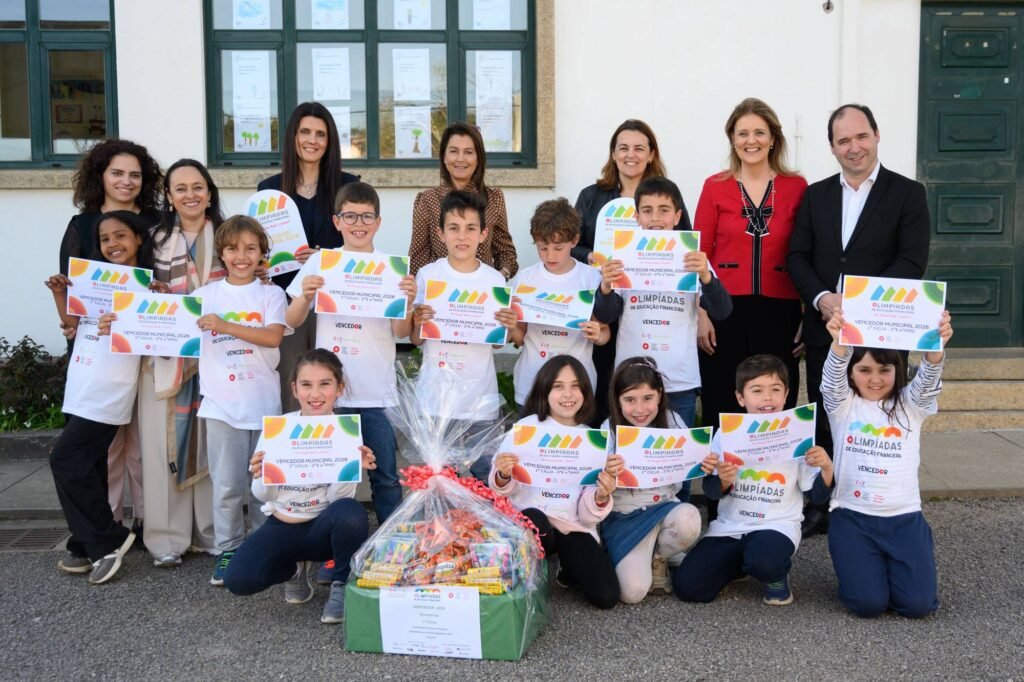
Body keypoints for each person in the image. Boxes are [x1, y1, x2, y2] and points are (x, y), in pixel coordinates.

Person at [787, 103, 931, 536]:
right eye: (843, 140)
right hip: (826, 329)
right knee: (825, 416)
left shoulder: (908, 193)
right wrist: (822, 298)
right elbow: (797, 256)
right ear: (832, 147)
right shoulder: (817, 195)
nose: (854, 147)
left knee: (880, 416)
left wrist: (863, 303)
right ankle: (823, 503)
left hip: (884, 334)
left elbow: (912, 261)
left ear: (876, 135)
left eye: (861, 136)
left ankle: (877, 499)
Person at [286, 181, 415, 526]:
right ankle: (331, 550)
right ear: (337, 220)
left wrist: (409, 302)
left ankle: (390, 542)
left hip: (377, 392)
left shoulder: (391, 270)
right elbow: (291, 320)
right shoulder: (321, 264)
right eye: (350, 216)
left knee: (385, 475)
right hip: (330, 393)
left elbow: (403, 334)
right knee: (328, 476)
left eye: (366, 216)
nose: (359, 223)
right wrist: (304, 296)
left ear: (378, 222)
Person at [45, 211, 159, 583]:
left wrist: (129, 317)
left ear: (138, 239)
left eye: (121, 236)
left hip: (110, 391)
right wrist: (62, 293)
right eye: (106, 238)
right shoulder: (90, 281)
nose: (113, 244)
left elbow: (152, 335)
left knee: (64, 459)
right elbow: (72, 326)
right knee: (89, 467)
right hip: (81, 383)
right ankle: (93, 543)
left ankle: (106, 539)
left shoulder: (147, 287)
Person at [58, 138, 163, 536]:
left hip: (149, 347)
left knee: (144, 444)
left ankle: (149, 525)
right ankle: (105, 525)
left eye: (135, 174)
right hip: (99, 354)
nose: (126, 181)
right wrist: (70, 323)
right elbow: (71, 294)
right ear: (100, 176)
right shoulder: (82, 226)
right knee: (103, 448)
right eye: (117, 173)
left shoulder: (156, 222)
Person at [224, 349, 375, 625]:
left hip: (323, 527)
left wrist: (349, 468)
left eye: (324, 384)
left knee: (351, 513)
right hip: (283, 524)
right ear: (294, 389)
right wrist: (261, 475)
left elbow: (339, 498)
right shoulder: (279, 430)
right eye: (306, 385)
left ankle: (341, 584)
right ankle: (292, 570)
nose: (315, 394)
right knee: (238, 579)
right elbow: (263, 496)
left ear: (339, 388)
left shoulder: (345, 431)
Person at [673, 354, 833, 606]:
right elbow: (713, 492)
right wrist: (723, 480)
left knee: (765, 559)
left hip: (776, 525)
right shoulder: (726, 434)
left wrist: (826, 468)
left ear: (786, 394)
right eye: (756, 390)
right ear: (740, 397)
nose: (767, 398)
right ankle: (739, 564)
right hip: (731, 525)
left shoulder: (797, 432)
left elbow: (816, 495)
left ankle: (775, 576)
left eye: (775, 390)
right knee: (689, 588)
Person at [821, 310, 952, 618]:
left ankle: (907, 560)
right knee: (868, 605)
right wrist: (839, 343)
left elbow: (929, 380)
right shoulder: (842, 406)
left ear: (898, 370)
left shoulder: (911, 405)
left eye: (885, 369)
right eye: (864, 370)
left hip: (903, 518)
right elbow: (831, 379)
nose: (875, 379)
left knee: (918, 606)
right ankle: (862, 569)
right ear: (851, 373)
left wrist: (935, 350)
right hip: (853, 518)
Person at [694, 98, 808, 433]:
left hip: (781, 310)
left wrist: (806, 314)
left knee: (774, 396)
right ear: (732, 138)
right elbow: (697, 255)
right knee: (722, 393)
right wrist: (700, 313)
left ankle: (775, 477)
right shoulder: (715, 186)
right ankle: (724, 476)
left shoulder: (796, 186)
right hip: (723, 310)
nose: (751, 140)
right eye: (742, 133)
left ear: (773, 137)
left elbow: (805, 253)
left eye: (759, 132)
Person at [138, 158, 227, 567]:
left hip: (217, 356)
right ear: (169, 197)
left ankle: (210, 532)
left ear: (209, 192)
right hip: (165, 359)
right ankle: (166, 539)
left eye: (198, 186)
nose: (190, 194)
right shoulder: (152, 241)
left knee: (212, 446)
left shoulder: (229, 236)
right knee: (162, 448)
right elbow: (132, 293)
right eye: (180, 188)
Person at [572, 120, 687, 425]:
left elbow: (686, 249)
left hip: (652, 302)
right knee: (607, 373)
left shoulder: (668, 195)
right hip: (605, 298)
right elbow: (571, 246)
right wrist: (593, 257)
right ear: (613, 153)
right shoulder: (591, 196)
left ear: (651, 154)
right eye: (623, 148)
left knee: (643, 378)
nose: (630, 155)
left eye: (639, 148)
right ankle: (609, 446)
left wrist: (699, 313)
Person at [193, 216, 288, 586]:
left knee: (264, 487)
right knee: (228, 485)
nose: (242, 256)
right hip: (221, 407)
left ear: (263, 254)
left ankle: (263, 550)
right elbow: (168, 333)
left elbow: (273, 338)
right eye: (233, 248)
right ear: (222, 253)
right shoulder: (205, 296)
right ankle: (229, 549)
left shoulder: (271, 295)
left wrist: (224, 325)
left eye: (251, 248)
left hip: (263, 405)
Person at [594, 177, 732, 430]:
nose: (655, 218)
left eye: (664, 210)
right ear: (637, 217)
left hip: (679, 380)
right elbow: (606, 315)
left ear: (677, 216)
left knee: (676, 457)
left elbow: (722, 310)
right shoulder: (624, 256)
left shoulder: (692, 259)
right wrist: (604, 288)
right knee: (629, 456)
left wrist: (706, 277)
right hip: (631, 380)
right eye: (647, 211)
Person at [489, 356, 622, 609]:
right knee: (536, 520)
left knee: (606, 596)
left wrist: (601, 496)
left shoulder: (591, 439)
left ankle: (567, 567)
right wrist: (504, 474)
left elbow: (588, 516)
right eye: (558, 386)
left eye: (575, 386)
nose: (567, 394)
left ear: (585, 391)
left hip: (571, 526)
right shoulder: (526, 429)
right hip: (531, 521)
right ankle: (531, 567)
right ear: (544, 389)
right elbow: (500, 488)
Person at [258, 102, 360, 410]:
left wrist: (322, 257)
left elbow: (358, 242)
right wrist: (263, 268)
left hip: (334, 303)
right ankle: (294, 453)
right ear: (292, 137)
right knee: (293, 383)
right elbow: (262, 248)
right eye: (305, 132)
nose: (312, 141)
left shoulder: (348, 185)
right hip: (287, 304)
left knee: (334, 383)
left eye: (320, 134)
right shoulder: (269, 191)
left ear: (329, 142)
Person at [411, 190, 519, 477]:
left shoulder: (494, 280)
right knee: (439, 481)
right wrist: (417, 320)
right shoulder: (427, 276)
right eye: (454, 228)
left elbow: (498, 344)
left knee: (486, 479)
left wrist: (507, 326)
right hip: (435, 397)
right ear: (440, 233)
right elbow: (415, 339)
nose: (462, 236)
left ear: (483, 234)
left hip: (479, 399)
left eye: (471, 228)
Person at [600, 357, 708, 603]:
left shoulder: (673, 422)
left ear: (659, 395)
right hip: (626, 516)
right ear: (617, 400)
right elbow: (597, 489)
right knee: (633, 593)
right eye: (629, 400)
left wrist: (701, 463)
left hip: (664, 507)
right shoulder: (609, 429)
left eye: (647, 398)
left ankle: (660, 555)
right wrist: (606, 473)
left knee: (689, 518)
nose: (640, 409)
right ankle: (641, 551)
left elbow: (684, 476)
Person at [507, 198, 609, 413]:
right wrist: (510, 324)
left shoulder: (591, 278)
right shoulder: (525, 279)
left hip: (577, 390)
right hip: (531, 385)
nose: (550, 255)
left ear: (575, 240)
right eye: (543, 248)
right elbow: (520, 338)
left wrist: (597, 334)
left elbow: (605, 333)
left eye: (558, 248)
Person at [408, 122, 517, 278]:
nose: (460, 159)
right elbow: (418, 257)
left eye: (468, 152)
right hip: (440, 292)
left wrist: (498, 278)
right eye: (453, 151)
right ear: (444, 157)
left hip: (482, 294)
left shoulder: (494, 198)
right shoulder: (427, 199)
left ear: (478, 158)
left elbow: (505, 252)